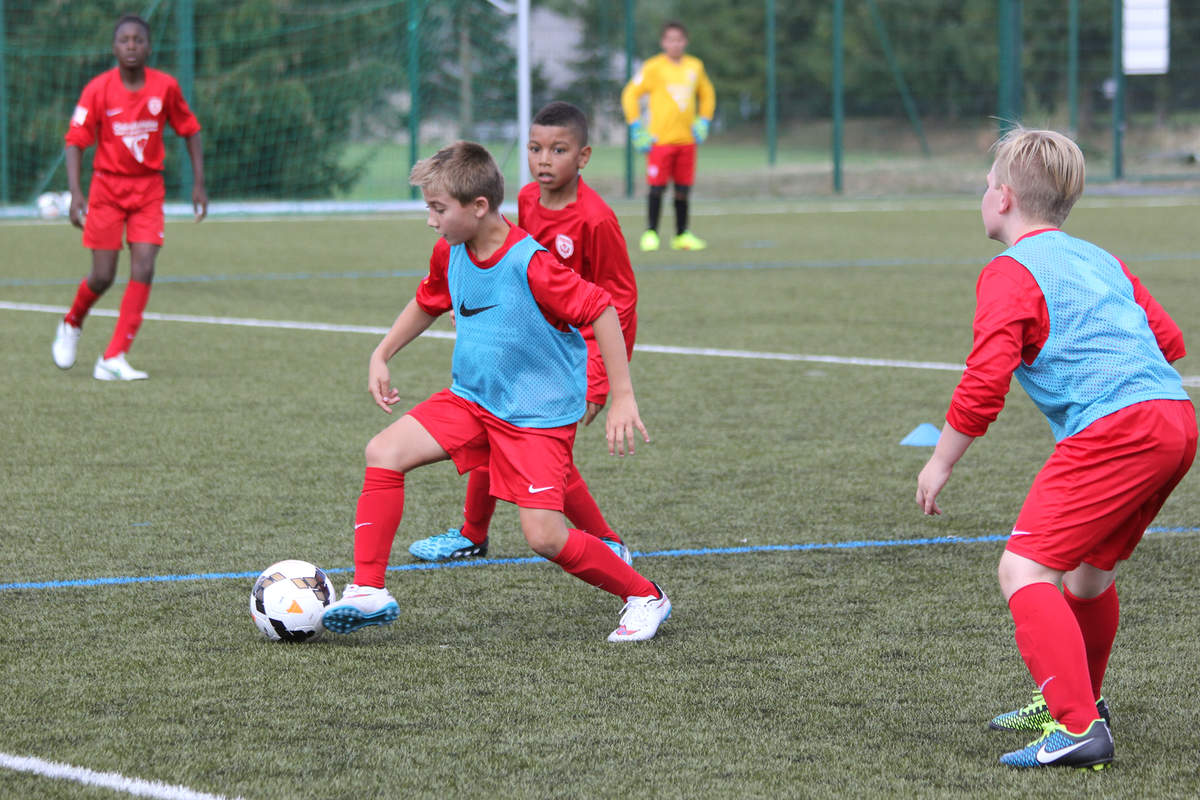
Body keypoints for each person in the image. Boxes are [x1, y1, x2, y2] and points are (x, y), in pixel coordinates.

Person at [915, 127, 1195, 770]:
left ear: (1004, 199)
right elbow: (1170, 339)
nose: (983, 194)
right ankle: (1080, 701)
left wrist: (942, 459)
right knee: (1088, 577)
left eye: (987, 185)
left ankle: (1077, 729)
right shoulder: (1099, 257)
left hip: (1116, 430)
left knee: (1022, 570)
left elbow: (984, 381)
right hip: (1175, 420)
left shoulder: (1009, 272)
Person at [321, 141, 672, 643]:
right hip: (472, 399)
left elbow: (601, 308)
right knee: (383, 452)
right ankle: (368, 590)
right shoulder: (450, 250)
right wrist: (382, 353)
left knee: (544, 536)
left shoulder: (532, 264)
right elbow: (429, 300)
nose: (430, 219)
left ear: (479, 207)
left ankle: (645, 596)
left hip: (535, 415)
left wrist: (622, 395)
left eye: (438, 208)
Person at [408, 101, 638, 566]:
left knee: (537, 446)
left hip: (573, 354)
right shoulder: (528, 200)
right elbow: (505, 256)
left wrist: (606, 380)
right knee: (493, 420)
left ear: (584, 156)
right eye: (535, 149)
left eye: (557, 150)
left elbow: (617, 299)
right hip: (527, 345)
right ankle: (475, 534)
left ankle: (606, 542)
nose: (543, 160)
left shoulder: (595, 219)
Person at [51, 14, 207, 381]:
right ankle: (72, 323)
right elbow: (75, 141)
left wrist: (199, 183)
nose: (132, 46)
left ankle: (113, 357)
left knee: (145, 266)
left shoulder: (165, 87)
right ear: (114, 48)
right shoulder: (98, 89)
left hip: (148, 189)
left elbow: (191, 130)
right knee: (103, 275)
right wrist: (76, 194)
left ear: (149, 47)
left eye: (139, 40)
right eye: (125, 40)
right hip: (106, 190)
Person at [620, 20, 715, 253]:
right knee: (656, 188)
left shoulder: (695, 66)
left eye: (679, 39)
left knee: (683, 189)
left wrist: (704, 120)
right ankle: (651, 233)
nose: (675, 44)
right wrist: (636, 127)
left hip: (687, 142)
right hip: (660, 142)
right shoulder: (653, 67)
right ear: (663, 42)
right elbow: (630, 94)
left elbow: (708, 94)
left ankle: (682, 234)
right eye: (670, 39)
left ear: (686, 41)